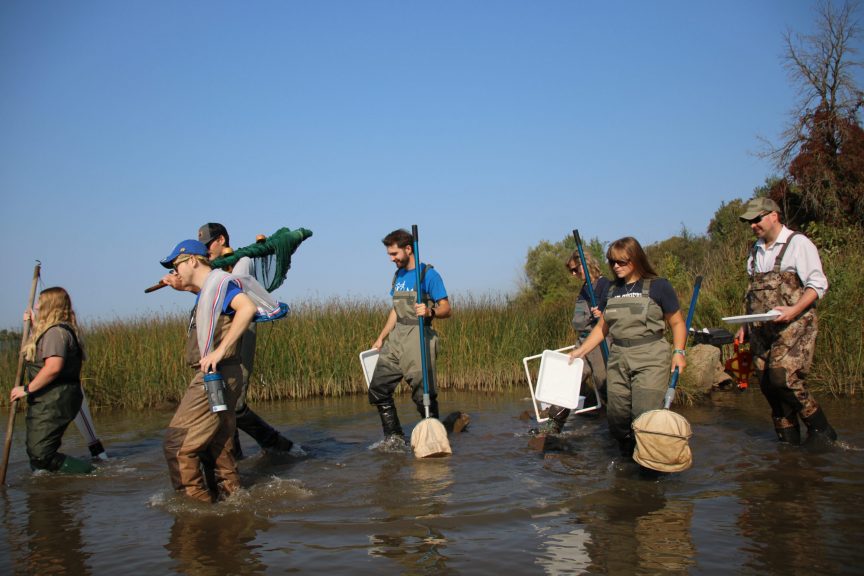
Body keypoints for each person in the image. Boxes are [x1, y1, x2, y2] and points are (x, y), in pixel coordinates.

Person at [568, 237, 687, 457]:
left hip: (650, 356)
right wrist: (580, 351)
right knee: (617, 417)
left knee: (644, 414)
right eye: (612, 262)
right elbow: (602, 327)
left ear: (636, 259)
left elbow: (677, 322)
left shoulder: (659, 286)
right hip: (619, 357)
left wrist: (679, 352)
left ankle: (649, 462)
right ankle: (627, 456)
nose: (616, 267)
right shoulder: (612, 290)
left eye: (622, 262)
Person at [159, 239, 257, 502]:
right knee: (218, 445)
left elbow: (247, 308)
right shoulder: (209, 289)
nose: (173, 270)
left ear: (192, 260)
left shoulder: (220, 284)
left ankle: (197, 516)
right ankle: (231, 508)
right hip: (223, 374)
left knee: (177, 445)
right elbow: (213, 304)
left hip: (217, 374)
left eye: (176, 264)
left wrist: (221, 349)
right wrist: (183, 286)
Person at [736, 197, 836, 444]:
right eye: (749, 221)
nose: (753, 225)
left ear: (773, 215)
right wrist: (745, 326)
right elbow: (753, 295)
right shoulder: (754, 251)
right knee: (768, 385)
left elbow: (818, 284)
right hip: (761, 329)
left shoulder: (798, 243)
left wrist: (793, 310)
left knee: (782, 377)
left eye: (756, 219)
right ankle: (788, 444)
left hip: (795, 325)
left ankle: (821, 429)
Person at [197, 223, 294, 458]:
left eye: (208, 245)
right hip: (221, 332)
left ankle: (280, 446)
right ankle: (234, 457)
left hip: (242, 329)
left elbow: (233, 288)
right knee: (224, 402)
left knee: (236, 404)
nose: (205, 250)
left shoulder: (242, 260)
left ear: (221, 240)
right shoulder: (213, 269)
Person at [367, 229, 458, 442]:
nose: (391, 259)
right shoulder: (398, 275)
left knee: (422, 397)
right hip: (396, 338)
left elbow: (447, 308)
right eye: (389, 254)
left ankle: (434, 437)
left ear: (409, 249)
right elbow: (395, 310)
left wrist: (430, 311)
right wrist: (381, 337)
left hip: (418, 338)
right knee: (378, 389)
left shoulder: (428, 274)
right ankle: (394, 439)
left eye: (394, 254)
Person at [9, 287, 94, 473]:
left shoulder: (56, 333)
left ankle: (92, 474)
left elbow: (53, 367)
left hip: (55, 398)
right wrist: (32, 326)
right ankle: (47, 490)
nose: (37, 306)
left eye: (40, 302)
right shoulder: (53, 332)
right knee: (37, 452)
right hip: (49, 398)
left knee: (41, 454)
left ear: (50, 305)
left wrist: (26, 389)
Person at [532, 251, 611, 435]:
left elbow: (612, 311)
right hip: (582, 341)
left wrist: (602, 312)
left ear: (585, 264)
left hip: (600, 343)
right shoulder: (584, 288)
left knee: (604, 385)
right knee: (567, 382)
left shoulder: (604, 285)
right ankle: (554, 426)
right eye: (571, 271)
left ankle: (619, 426)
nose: (573, 275)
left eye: (575, 270)